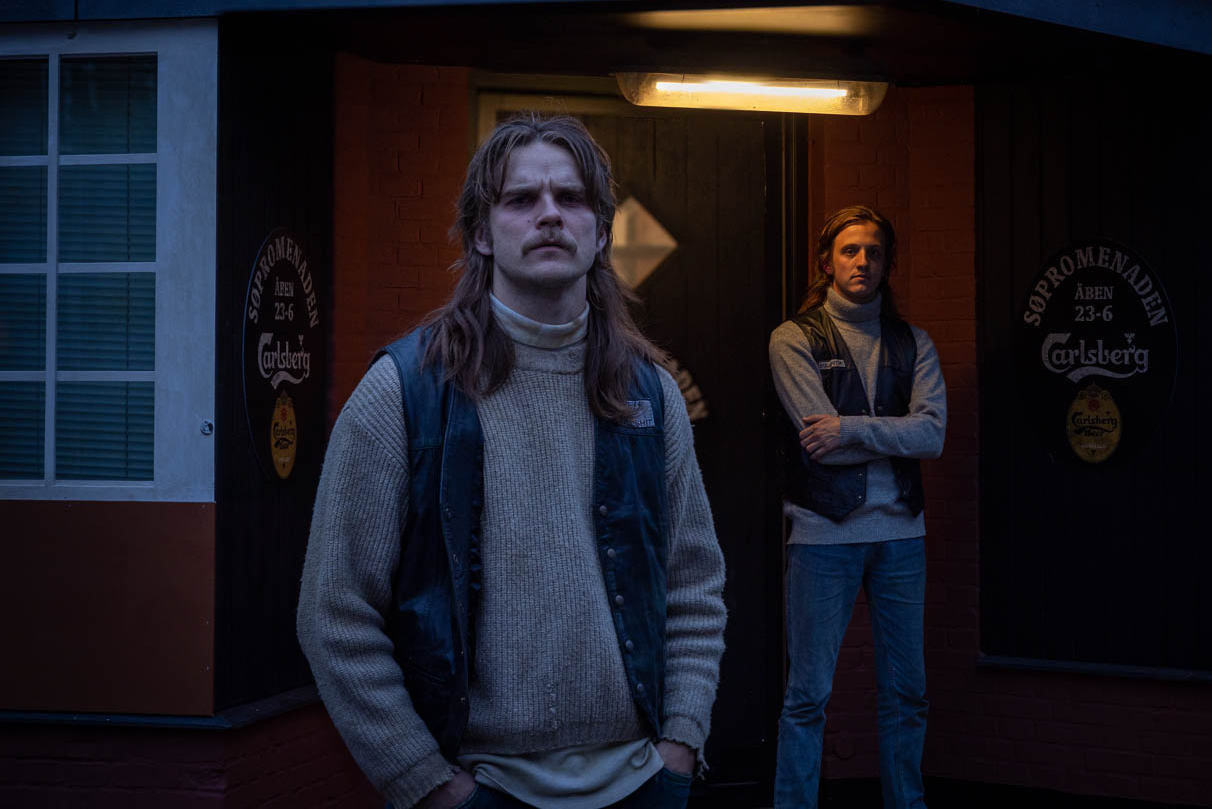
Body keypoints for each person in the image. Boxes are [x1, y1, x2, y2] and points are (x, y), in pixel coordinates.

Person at [297, 114, 726, 809]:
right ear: (481, 232)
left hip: (642, 783)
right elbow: (335, 613)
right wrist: (424, 782)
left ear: (601, 230)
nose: (549, 214)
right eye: (521, 199)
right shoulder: (404, 392)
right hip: (479, 787)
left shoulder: (649, 393)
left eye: (571, 197)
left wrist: (681, 742)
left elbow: (694, 582)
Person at [769, 205, 947, 809]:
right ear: (827, 262)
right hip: (823, 536)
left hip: (902, 535)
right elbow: (819, 445)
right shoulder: (794, 338)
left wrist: (848, 428)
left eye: (873, 251)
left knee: (907, 694)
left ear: (888, 264)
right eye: (849, 250)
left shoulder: (914, 343)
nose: (862, 261)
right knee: (807, 696)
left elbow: (933, 436)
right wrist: (889, 434)